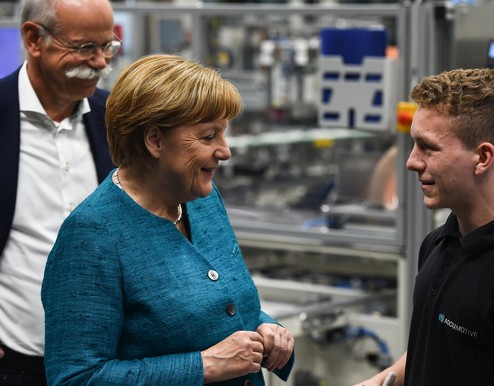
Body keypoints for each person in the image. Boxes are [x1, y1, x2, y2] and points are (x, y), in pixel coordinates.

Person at [41, 54, 295, 385]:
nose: (225, 151)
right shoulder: (92, 235)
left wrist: (267, 328)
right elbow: (75, 377)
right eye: (208, 137)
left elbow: (223, 305)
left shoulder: (202, 200)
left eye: (224, 134)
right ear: (155, 140)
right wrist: (204, 366)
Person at [354, 68, 494, 386]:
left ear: (483, 157)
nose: (411, 161)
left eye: (428, 147)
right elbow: (431, 351)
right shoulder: (439, 242)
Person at [0, 0, 118, 384]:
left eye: (108, 47)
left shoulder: (114, 119)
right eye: (85, 47)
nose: (100, 62)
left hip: (106, 364)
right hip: (16, 363)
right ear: (34, 39)